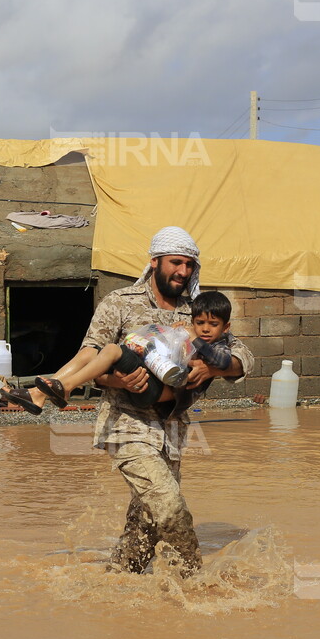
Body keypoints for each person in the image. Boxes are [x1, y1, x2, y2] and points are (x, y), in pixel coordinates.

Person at [78, 227, 253, 576]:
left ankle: (117, 586)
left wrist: (213, 368)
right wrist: (118, 378)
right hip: (127, 423)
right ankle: (194, 583)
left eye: (190, 265)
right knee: (170, 507)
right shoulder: (120, 303)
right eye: (176, 263)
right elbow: (90, 362)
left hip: (171, 429)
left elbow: (243, 357)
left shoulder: (199, 310)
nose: (183, 272)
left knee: (147, 521)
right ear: (155, 261)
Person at [5, 290, 237, 414]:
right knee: (91, 352)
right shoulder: (122, 300)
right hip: (146, 378)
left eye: (213, 325)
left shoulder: (220, 346)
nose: (206, 329)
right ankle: (39, 394)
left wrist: (194, 337)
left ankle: (64, 388)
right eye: (200, 323)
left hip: (158, 392)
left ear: (225, 327)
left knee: (113, 349)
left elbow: (223, 362)